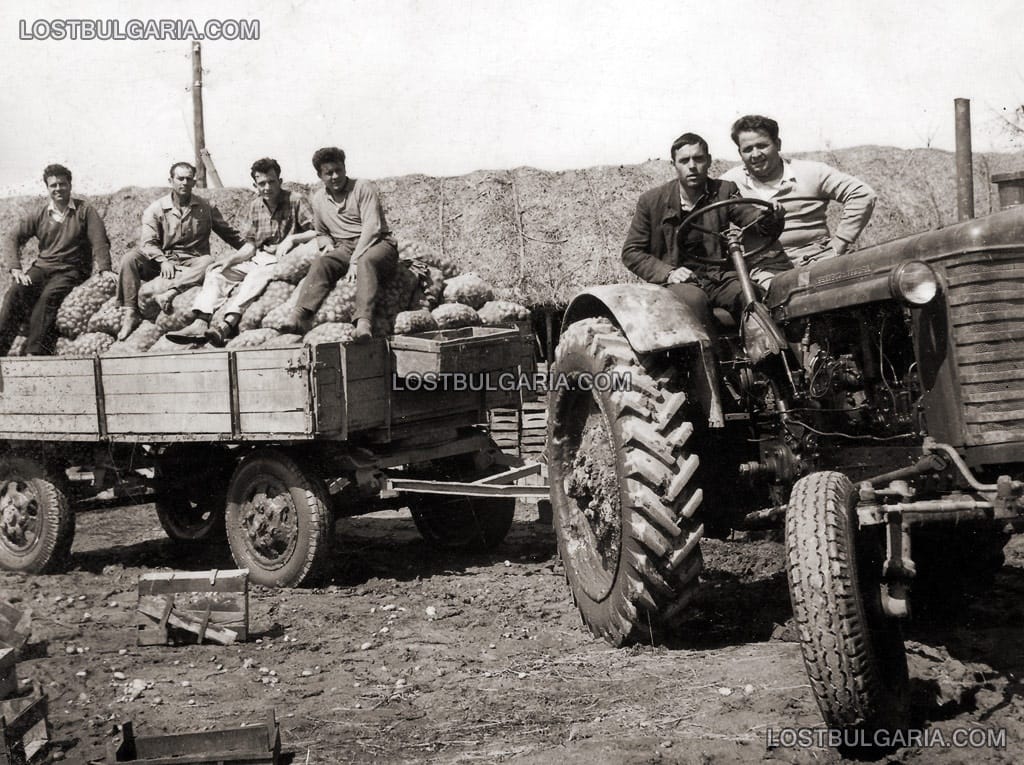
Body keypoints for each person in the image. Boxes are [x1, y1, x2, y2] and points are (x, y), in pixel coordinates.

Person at [622, 132, 787, 328]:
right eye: (684, 160)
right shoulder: (651, 201)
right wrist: (668, 273)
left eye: (698, 159)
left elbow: (749, 216)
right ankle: (709, 358)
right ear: (673, 165)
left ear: (709, 161)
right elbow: (631, 252)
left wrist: (769, 217)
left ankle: (765, 354)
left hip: (718, 277)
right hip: (678, 283)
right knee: (695, 302)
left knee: (750, 294)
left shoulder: (724, 191)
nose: (692, 166)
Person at [167, 158, 318, 346]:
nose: (267, 187)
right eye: (261, 183)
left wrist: (292, 239)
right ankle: (200, 321)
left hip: (284, 260)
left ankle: (227, 324)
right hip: (260, 257)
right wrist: (229, 261)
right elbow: (250, 246)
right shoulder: (255, 206)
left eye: (271, 181)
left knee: (255, 276)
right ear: (255, 185)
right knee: (216, 273)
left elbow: (316, 230)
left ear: (280, 181)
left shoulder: (296, 200)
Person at [277, 147, 398, 342]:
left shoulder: (362, 187)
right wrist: (327, 246)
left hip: (377, 244)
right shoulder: (318, 199)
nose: (335, 176)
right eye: (328, 173)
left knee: (367, 262)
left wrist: (355, 260)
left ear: (344, 168)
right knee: (322, 263)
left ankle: (363, 323)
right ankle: (298, 316)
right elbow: (321, 232)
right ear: (319, 175)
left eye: (338, 170)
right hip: (345, 246)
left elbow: (372, 227)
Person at [721, 114, 876, 265]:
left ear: (777, 144)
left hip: (817, 258)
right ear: (740, 153)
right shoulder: (728, 182)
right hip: (764, 266)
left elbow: (862, 194)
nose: (755, 154)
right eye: (748, 149)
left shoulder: (811, 172)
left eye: (762, 146)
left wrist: (840, 242)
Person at [117, 162, 246, 340]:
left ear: (194, 182)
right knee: (129, 259)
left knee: (208, 261)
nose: (184, 183)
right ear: (171, 180)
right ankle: (130, 312)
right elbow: (148, 243)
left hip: (193, 261)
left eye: (189, 179)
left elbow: (229, 233)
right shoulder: (156, 209)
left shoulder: (205, 207)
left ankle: (171, 293)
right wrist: (162, 260)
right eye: (180, 178)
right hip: (163, 260)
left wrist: (251, 249)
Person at [0, 164, 111, 356]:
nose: (58, 189)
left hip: (71, 269)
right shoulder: (40, 213)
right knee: (15, 293)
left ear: (70, 185)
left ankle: (35, 354)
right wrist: (15, 268)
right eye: (53, 185)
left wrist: (105, 268)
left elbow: (99, 241)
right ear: (47, 188)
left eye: (62, 184)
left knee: (48, 298)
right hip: (42, 268)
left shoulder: (85, 211)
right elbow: (12, 237)